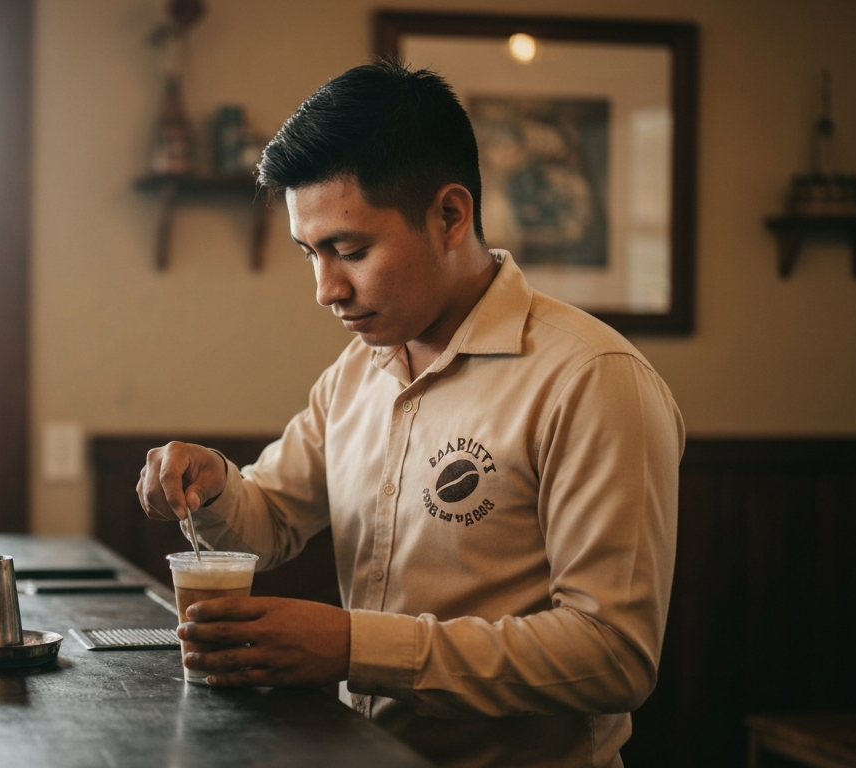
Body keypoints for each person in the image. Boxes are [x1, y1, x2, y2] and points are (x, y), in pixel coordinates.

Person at [136, 60, 683, 767]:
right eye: (311, 253)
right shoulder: (359, 372)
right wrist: (213, 483)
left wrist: (354, 646)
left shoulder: (593, 380)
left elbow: (613, 656)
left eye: (350, 250)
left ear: (450, 216)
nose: (326, 289)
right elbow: (268, 520)